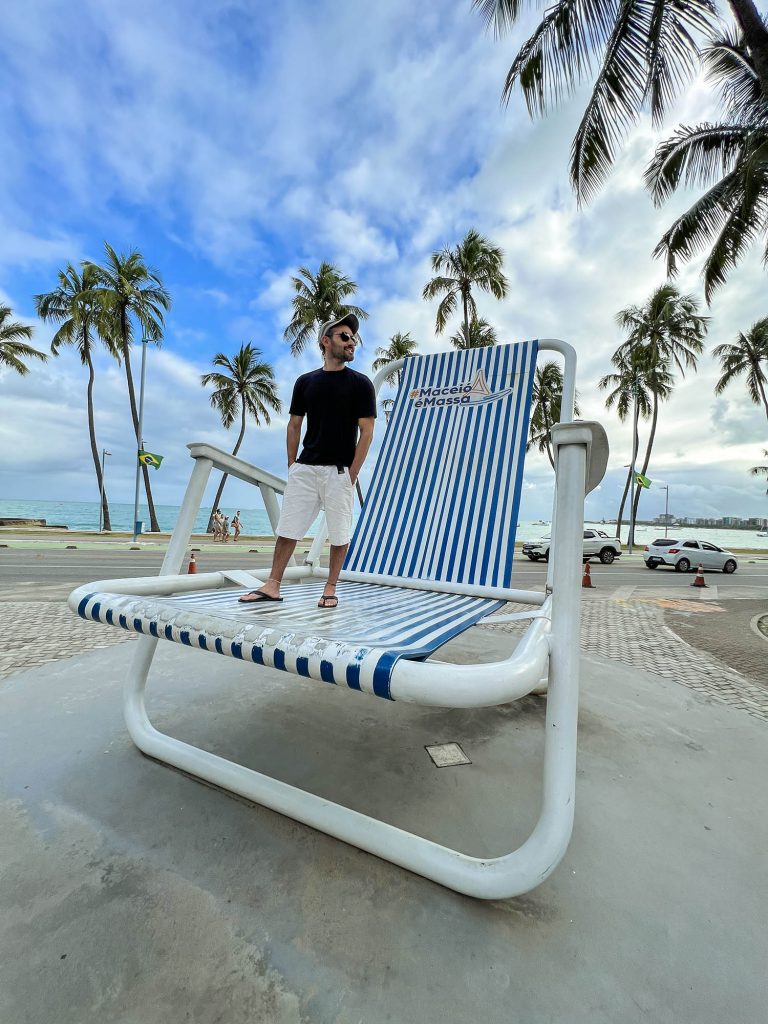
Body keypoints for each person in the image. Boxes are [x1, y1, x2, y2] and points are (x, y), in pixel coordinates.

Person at [240, 313, 376, 609]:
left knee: (340, 535)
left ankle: (330, 587)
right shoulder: (305, 382)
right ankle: (273, 584)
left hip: (339, 472)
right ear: (326, 342)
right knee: (288, 529)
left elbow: (367, 432)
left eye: (353, 338)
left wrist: (352, 473)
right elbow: (293, 425)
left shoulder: (361, 384)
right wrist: (293, 465)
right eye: (344, 336)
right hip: (305, 468)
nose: (351, 342)